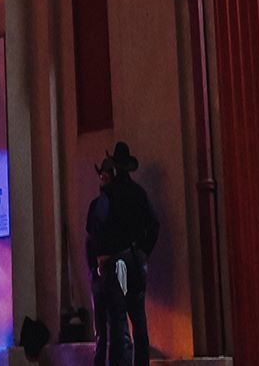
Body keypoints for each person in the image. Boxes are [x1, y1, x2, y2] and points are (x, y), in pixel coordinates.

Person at [84, 142, 158, 366]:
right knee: (139, 319)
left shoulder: (109, 195)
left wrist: (104, 258)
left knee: (119, 323)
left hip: (118, 262)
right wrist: (144, 251)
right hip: (137, 258)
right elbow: (154, 225)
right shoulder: (139, 194)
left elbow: (98, 230)